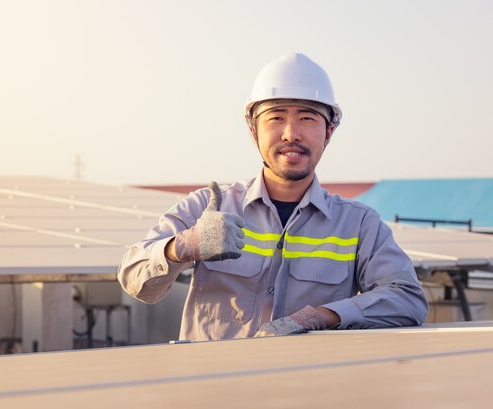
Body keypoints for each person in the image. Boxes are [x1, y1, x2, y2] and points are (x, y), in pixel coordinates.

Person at [118, 53, 428, 341]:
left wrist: (323, 316)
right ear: (253, 130)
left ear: (328, 132)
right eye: (276, 118)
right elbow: (134, 280)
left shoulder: (359, 224)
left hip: (307, 393)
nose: (291, 133)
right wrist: (184, 246)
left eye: (307, 118)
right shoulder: (207, 206)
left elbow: (407, 299)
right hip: (212, 392)